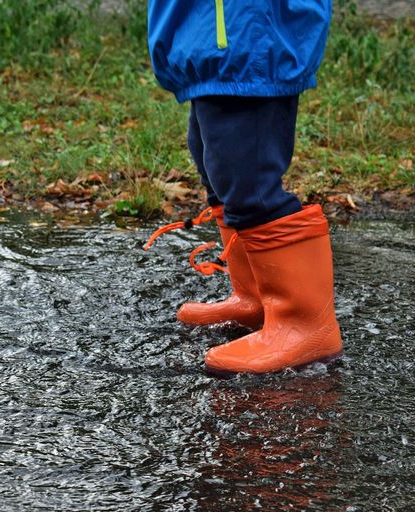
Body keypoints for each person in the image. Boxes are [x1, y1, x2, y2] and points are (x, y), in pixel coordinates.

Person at [145, 0, 343, 374]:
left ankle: (304, 325)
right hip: (210, 39)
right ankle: (256, 297)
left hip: (246, 37)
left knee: (247, 181)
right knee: (216, 166)